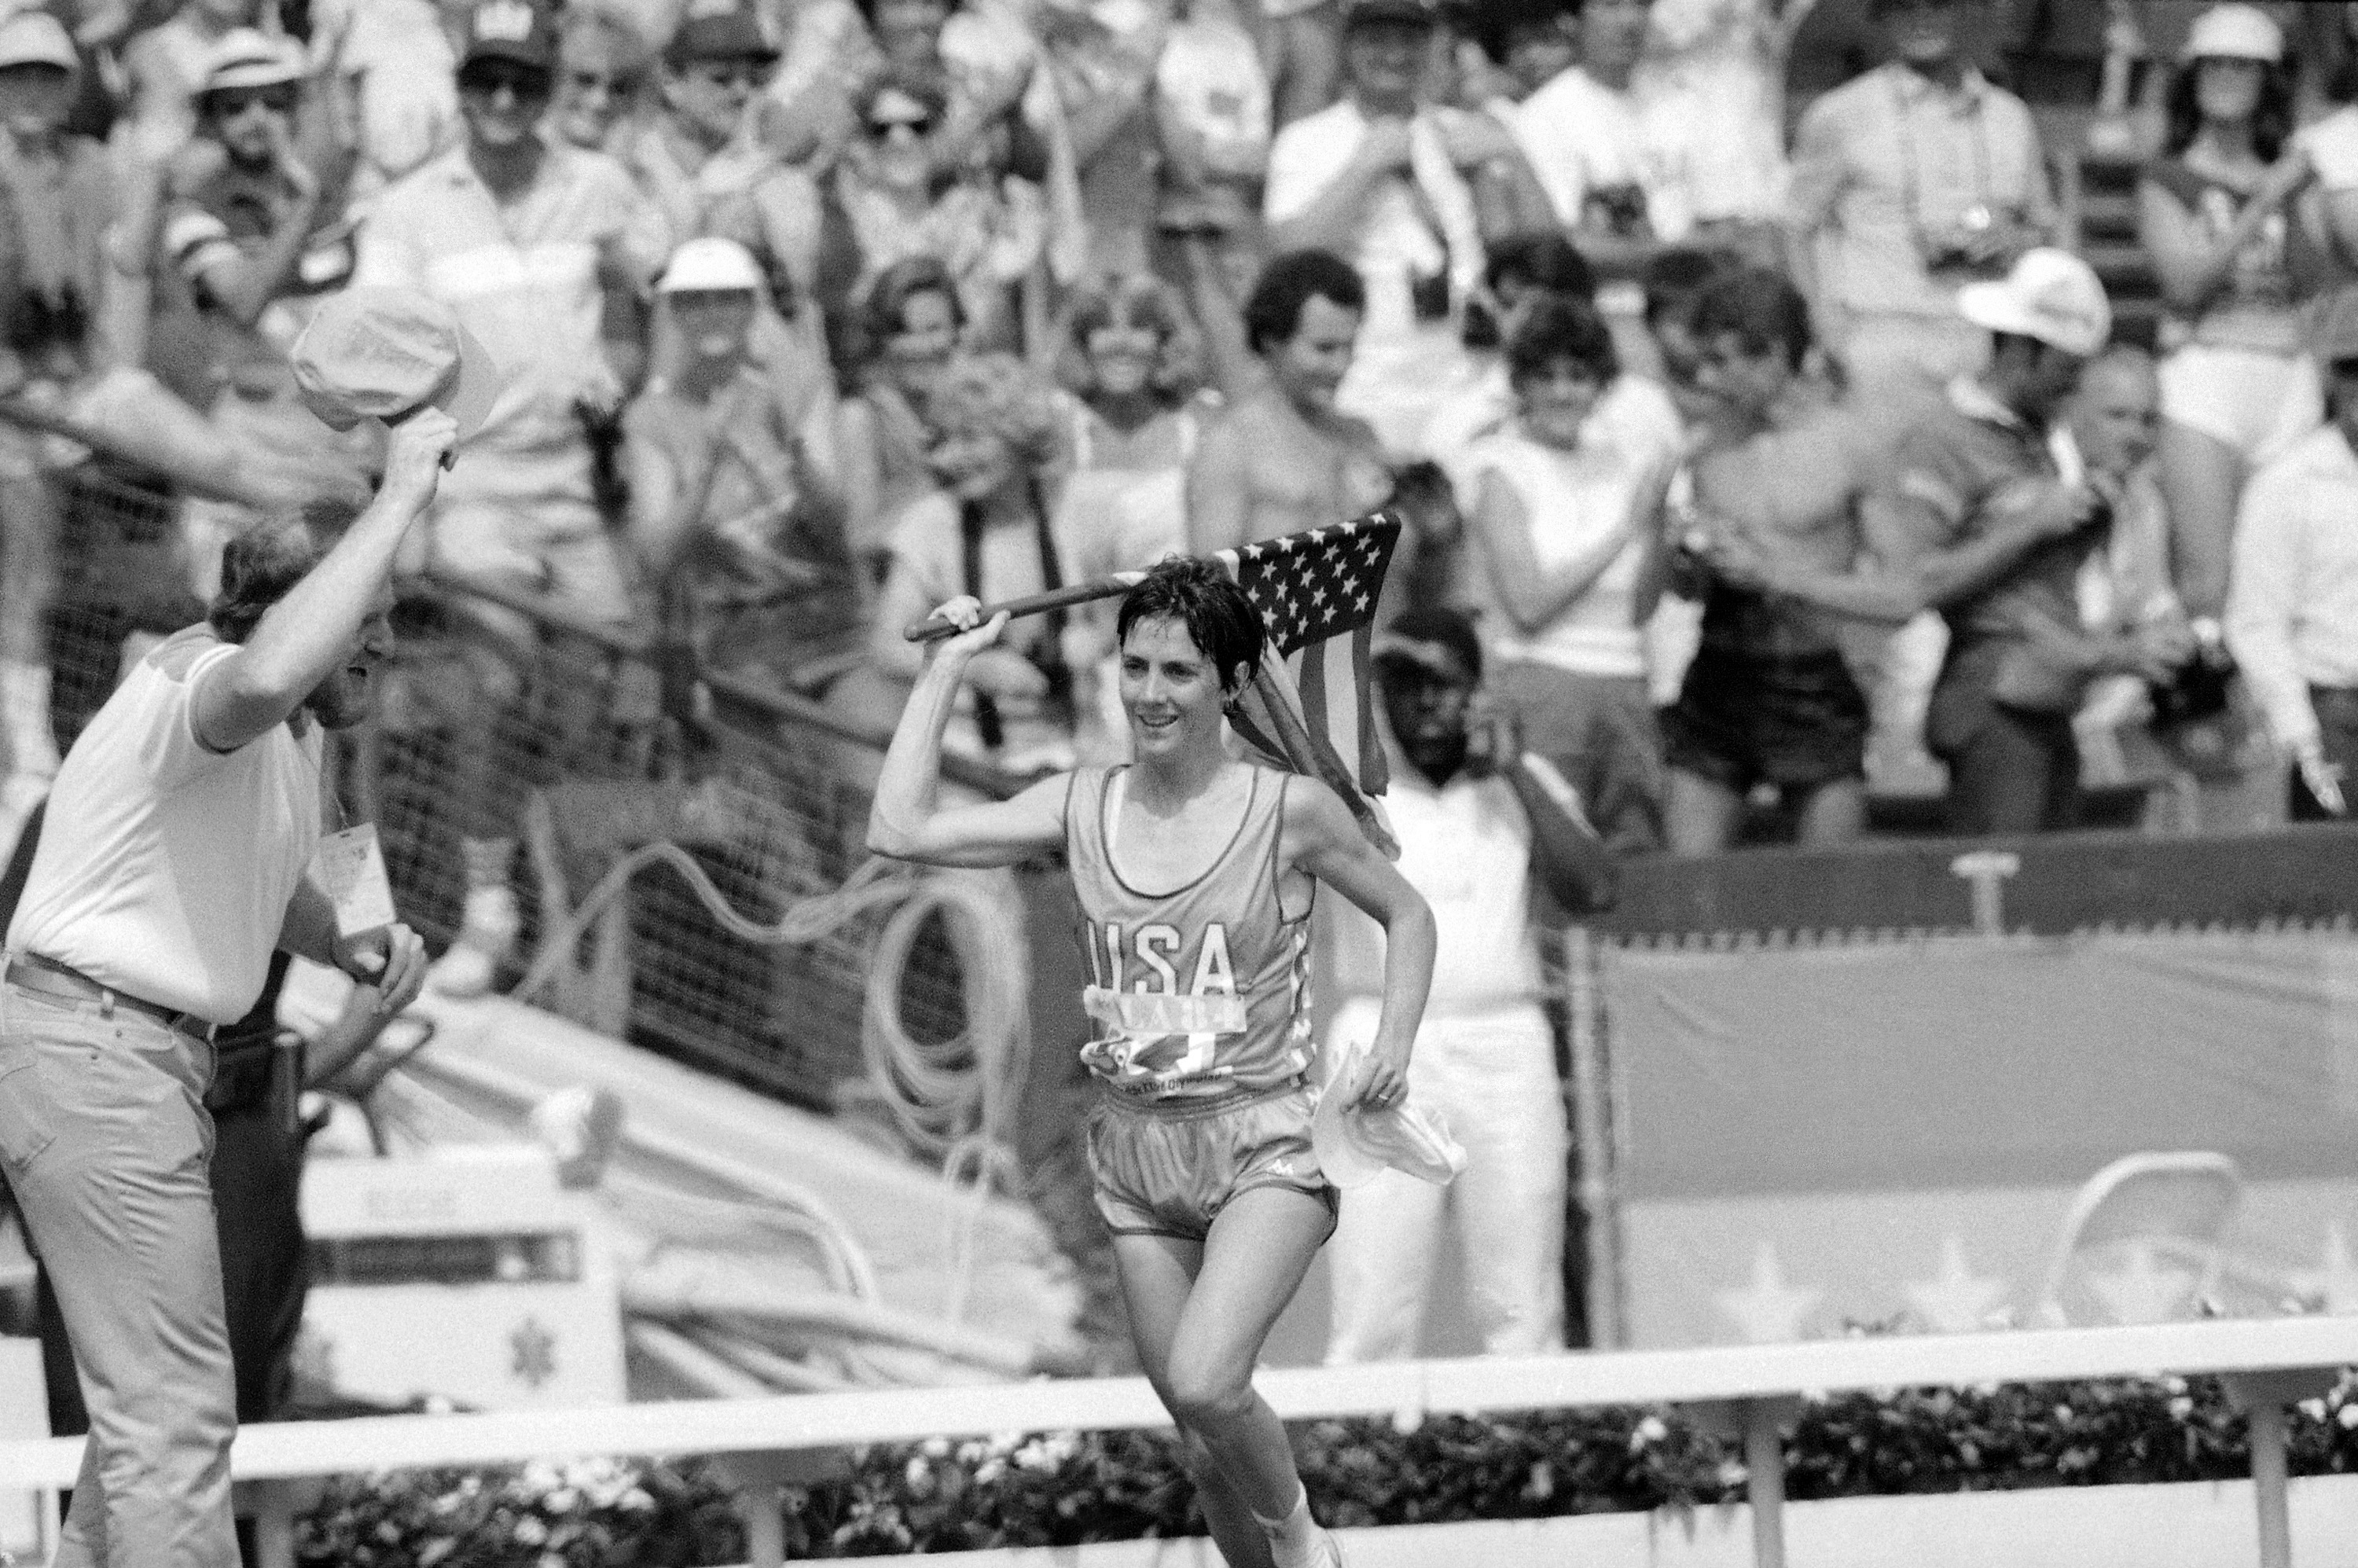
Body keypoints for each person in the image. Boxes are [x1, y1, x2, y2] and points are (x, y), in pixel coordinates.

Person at [869, 556, 1436, 1568]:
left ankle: (1308, 1548)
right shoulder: (1079, 804)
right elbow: (899, 828)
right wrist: (947, 668)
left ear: (1231, 683)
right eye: (1136, 668)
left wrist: (1392, 1047)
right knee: (1204, 1445)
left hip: (1263, 1144)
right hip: (1136, 1157)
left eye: (1179, 672)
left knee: (1212, 1381)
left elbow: (1409, 914)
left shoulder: (1290, 811)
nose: (1151, 694)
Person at [0, 406, 445, 1568]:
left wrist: (353, 940)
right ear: (299, 617)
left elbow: (309, 868)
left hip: (133, 1064)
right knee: (175, 1422)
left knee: (144, 1432)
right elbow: (271, 671)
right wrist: (402, 489)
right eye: (364, 616)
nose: (383, 639)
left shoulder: (291, 734)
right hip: (100, 1055)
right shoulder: (201, 678)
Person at [352, 0, 661, 997]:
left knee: (591, 694)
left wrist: (621, 371)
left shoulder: (599, 184)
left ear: (546, 89)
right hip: (476, 481)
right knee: (497, 679)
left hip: (579, 483)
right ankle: (488, 908)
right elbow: (380, 353)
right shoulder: (409, 207)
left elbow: (649, 290)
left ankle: (563, 913)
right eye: (485, 80)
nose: (502, 99)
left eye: (522, 82)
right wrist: (408, 498)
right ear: (460, 88)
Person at [1728, 250, 2169, 835]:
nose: (2072, 386)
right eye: (2065, 368)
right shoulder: (1943, 440)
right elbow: (1915, 584)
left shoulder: (2044, 439)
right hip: (1994, 700)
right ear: (2020, 350)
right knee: (2003, 878)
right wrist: (2029, 526)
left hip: (2051, 696)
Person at [1323, 608, 1611, 1364]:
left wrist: (1514, 768)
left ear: (1480, 691)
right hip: (1380, 1044)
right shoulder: (1347, 795)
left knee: (1521, 1296)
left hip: (1505, 1040)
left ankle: (1530, 1436)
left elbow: (1594, 889)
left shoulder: (1523, 782)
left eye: (1443, 683)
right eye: (1403, 683)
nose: (1425, 701)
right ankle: (1360, 1435)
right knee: (1373, 1295)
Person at [1657, 268, 1892, 854]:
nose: (1706, 379)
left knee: (1826, 894)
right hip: (1719, 675)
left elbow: (1904, 595)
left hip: (1813, 680)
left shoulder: (1852, 444)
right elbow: (1686, 589)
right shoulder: (1707, 446)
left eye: (1721, 361)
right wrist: (1686, 561)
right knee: (1692, 887)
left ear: (1775, 355)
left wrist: (1779, 576)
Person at [1262, 0, 1552, 454]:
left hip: (1469, 381)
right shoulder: (1308, 141)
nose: (1395, 55)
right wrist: (1363, 168)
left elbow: (1548, 257)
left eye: (1409, 40)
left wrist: (1513, 156)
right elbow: (1287, 261)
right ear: (1349, 47)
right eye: (1378, 40)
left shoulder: (1461, 133)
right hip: (1366, 384)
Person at [1461, 296, 1675, 854]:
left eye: (1578, 376)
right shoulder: (1501, 466)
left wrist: (1660, 531)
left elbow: (1642, 607)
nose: (1562, 392)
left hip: (1626, 681)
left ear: (1600, 384)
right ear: (1522, 383)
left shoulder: (1621, 461)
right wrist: (1625, 531)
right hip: (1541, 682)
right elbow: (1529, 605)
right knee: (1553, 849)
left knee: (1637, 850)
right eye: (1546, 376)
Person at [2137, 4, 2321, 626]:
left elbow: (2316, 286)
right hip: (2206, 377)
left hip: (2287, 377)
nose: (2225, 77)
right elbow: (2185, 284)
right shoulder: (2168, 179)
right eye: (2213, 64)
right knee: (2208, 580)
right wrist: (2260, 205)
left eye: (2242, 66)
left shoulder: (2296, 177)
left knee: (2275, 574)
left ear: (2269, 80)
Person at [1785, 0, 2057, 410]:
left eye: (1938, 5)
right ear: (1881, 17)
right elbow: (1795, 228)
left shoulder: (2010, 116)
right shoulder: (1842, 113)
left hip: (1985, 340)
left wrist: (2016, 239)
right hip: (1882, 333)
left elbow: (2044, 226)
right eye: (1903, 6)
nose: (1921, 19)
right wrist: (1823, 325)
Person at [625, 237, 861, 704]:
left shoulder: (801, 386)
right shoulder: (650, 419)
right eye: (694, 301)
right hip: (734, 639)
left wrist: (794, 448)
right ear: (674, 313)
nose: (712, 313)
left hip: (829, 622)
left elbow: (837, 524)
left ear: (752, 305)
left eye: (728, 298)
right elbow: (656, 559)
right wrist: (706, 465)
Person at [866, 351, 1079, 774]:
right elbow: (887, 646)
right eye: (942, 441)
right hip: (968, 762)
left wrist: (1093, 642)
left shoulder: (1074, 508)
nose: (949, 458)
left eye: (970, 438)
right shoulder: (932, 521)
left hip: (1074, 754)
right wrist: (973, 667)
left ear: (1020, 435)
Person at [2226, 300, 2358, 822]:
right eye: (2351, 370)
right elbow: (2257, 620)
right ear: (2331, 378)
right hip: (2336, 716)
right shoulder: (2287, 483)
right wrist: (2301, 736)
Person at [1187, 250, 1391, 556]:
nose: (1341, 366)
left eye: (1349, 347)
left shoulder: (1360, 436)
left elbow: (1403, 573)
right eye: (1324, 348)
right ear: (1272, 341)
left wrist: (1437, 534)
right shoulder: (1230, 447)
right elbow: (1209, 578)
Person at [837, 253, 963, 578]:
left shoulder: (971, 409)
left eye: (934, 329)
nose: (922, 346)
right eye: (903, 332)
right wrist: (942, 481)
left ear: (956, 333)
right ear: (880, 342)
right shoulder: (862, 418)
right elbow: (862, 539)